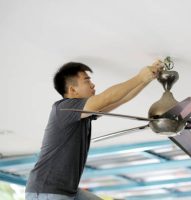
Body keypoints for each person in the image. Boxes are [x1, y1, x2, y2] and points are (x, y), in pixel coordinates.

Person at [25, 60, 164, 200]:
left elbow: (121, 99)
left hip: (67, 191)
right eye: (87, 81)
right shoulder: (63, 108)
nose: (93, 85)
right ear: (72, 90)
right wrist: (139, 77)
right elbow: (106, 98)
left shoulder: (83, 115)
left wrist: (146, 79)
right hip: (46, 191)